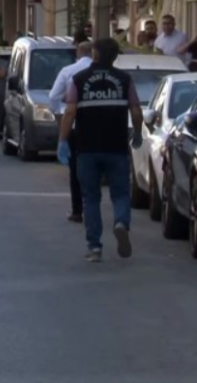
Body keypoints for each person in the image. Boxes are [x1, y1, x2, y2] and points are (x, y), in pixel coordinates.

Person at [57, 38, 143, 263]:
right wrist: (139, 134)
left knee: (91, 198)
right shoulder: (124, 80)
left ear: (93, 54)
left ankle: (94, 247)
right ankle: (121, 222)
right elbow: (135, 110)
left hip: (87, 148)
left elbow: (69, 113)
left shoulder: (79, 79)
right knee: (121, 193)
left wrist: (62, 140)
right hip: (116, 147)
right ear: (115, 57)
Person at [48, 41, 93, 223]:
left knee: (76, 169)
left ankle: (77, 210)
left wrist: (60, 117)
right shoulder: (106, 72)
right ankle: (94, 207)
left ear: (78, 52)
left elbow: (53, 97)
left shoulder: (68, 71)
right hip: (102, 127)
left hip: (76, 127)